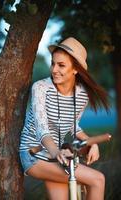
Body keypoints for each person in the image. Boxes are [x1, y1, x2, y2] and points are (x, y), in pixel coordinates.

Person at [19, 37, 109, 200]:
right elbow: (42, 129)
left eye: (61, 65)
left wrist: (91, 142)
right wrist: (56, 152)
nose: (54, 69)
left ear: (76, 69)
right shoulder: (40, 88)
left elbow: (71, 125)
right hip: (34, 154)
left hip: (57, 156)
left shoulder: (81, 95)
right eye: (53, 63)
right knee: (97, 180)